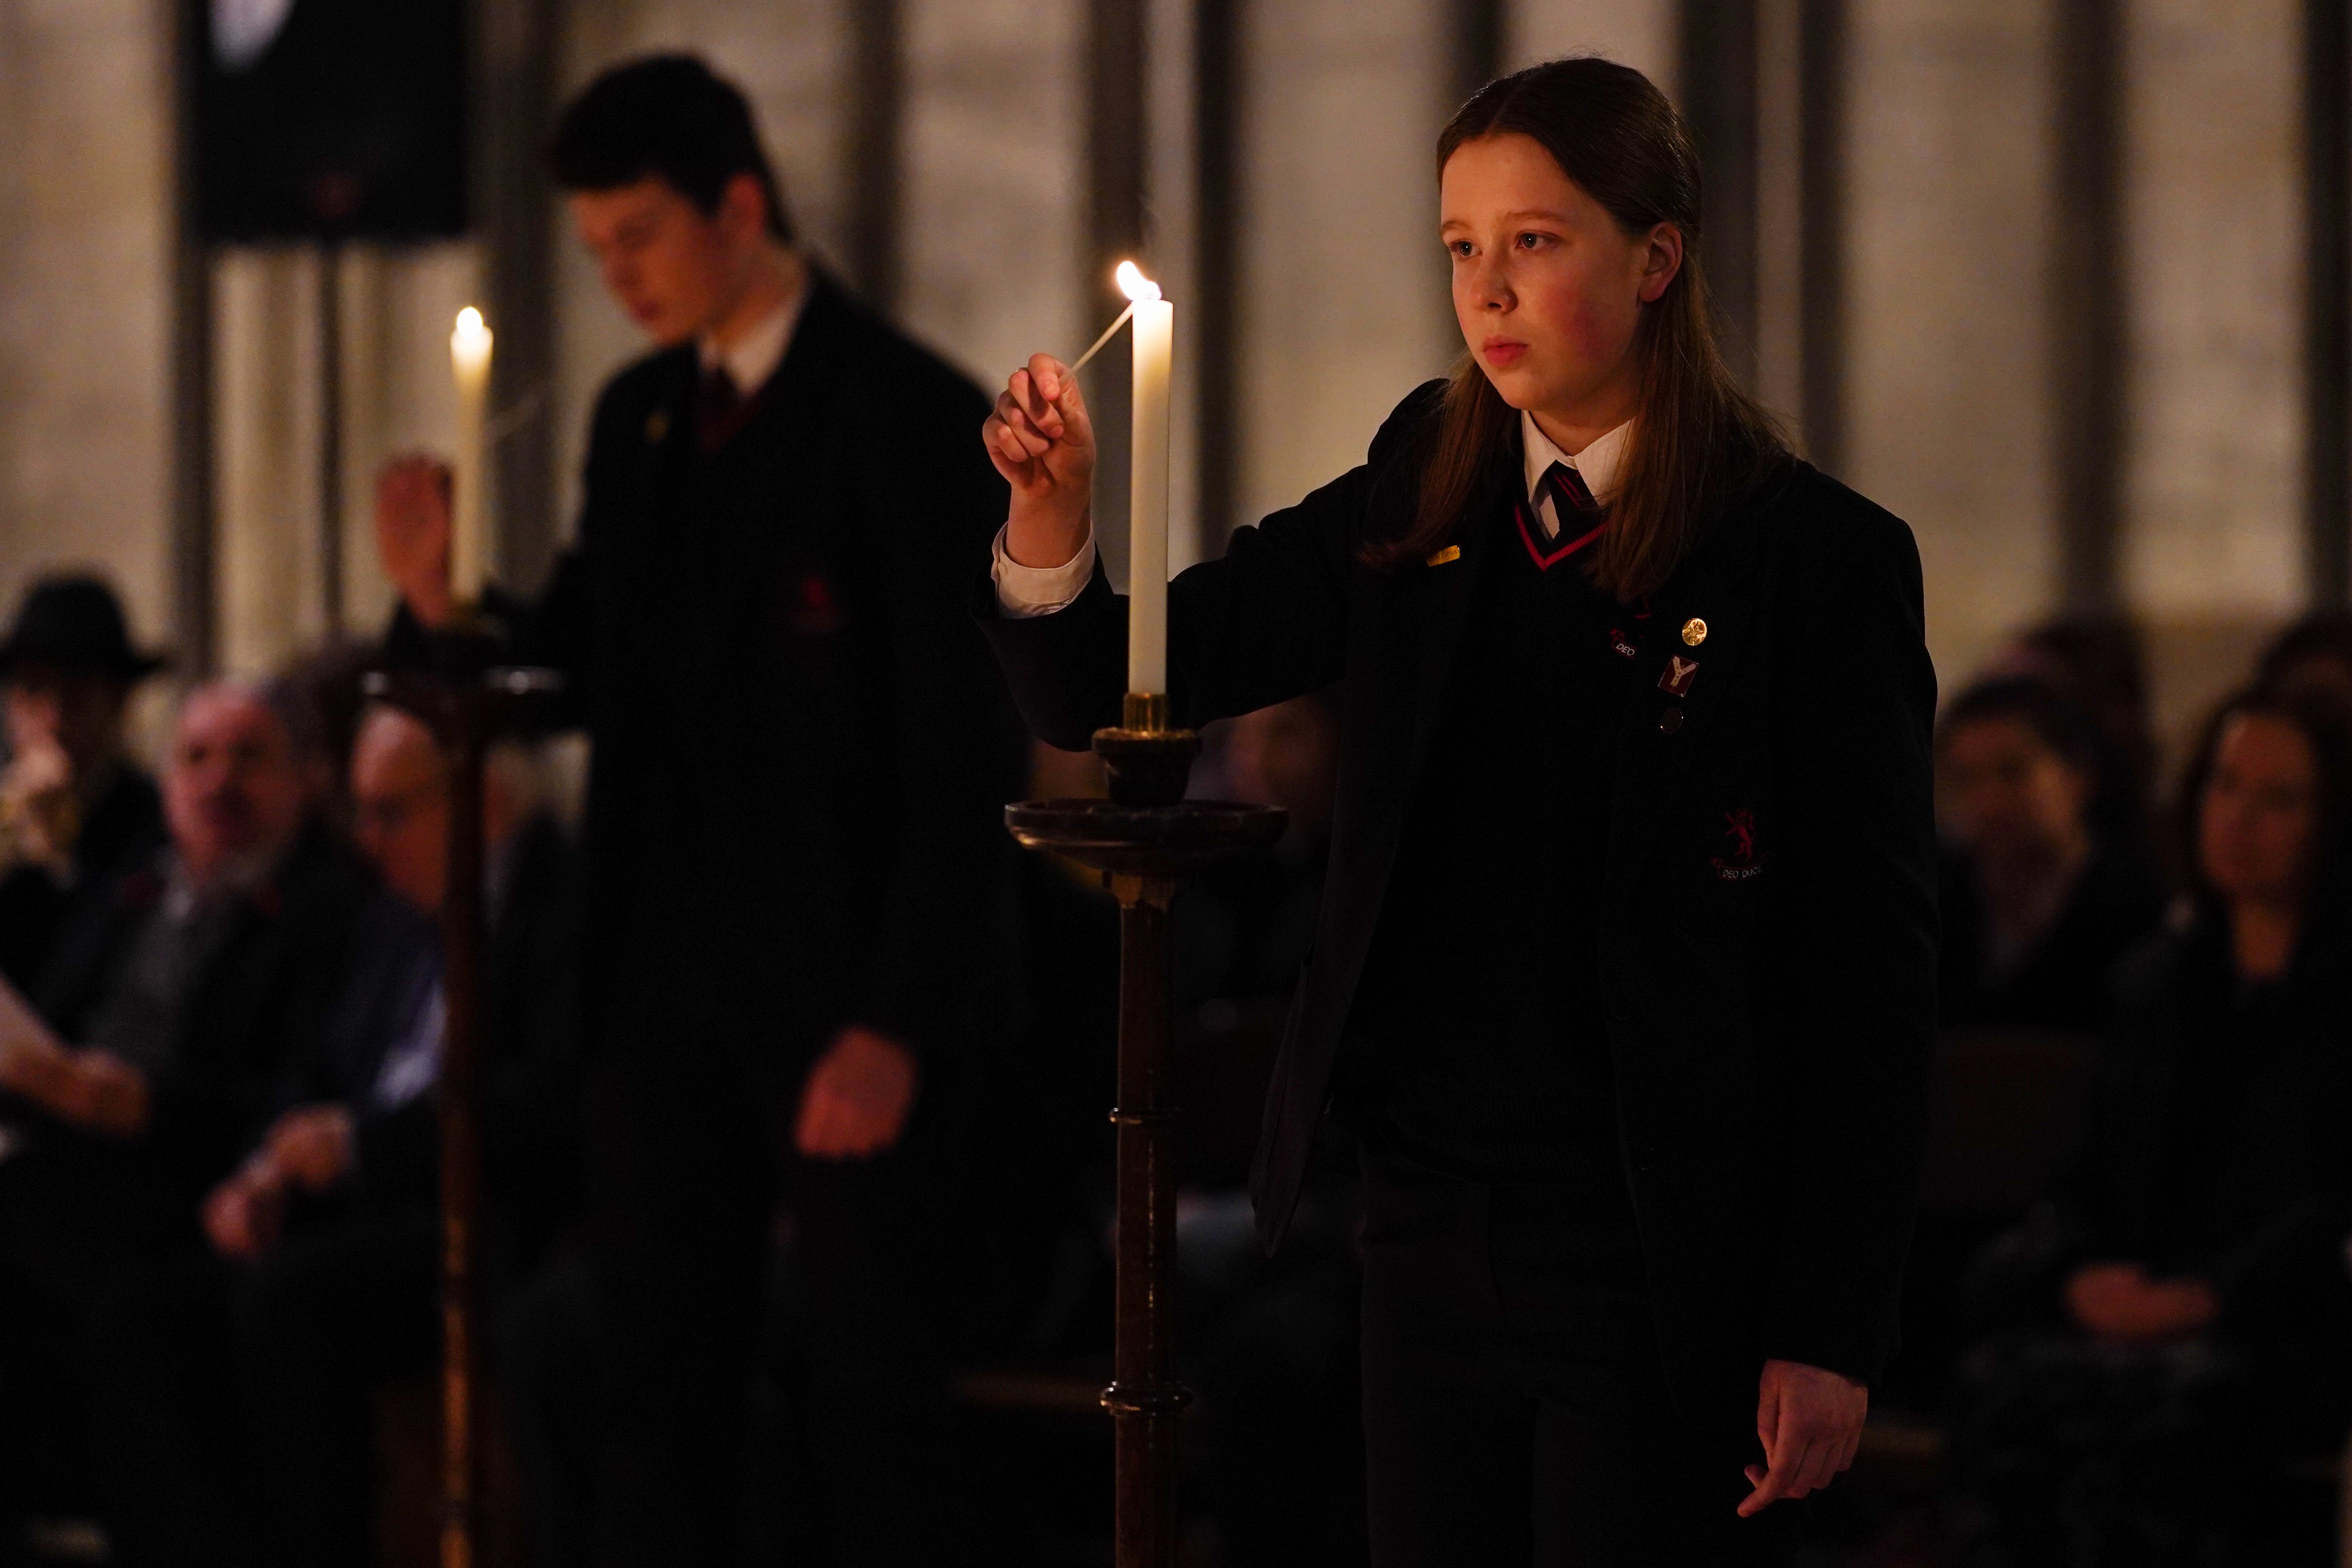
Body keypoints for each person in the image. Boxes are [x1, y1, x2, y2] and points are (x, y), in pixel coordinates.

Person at [979, 56, 1937, 1564]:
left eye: (1536, 243)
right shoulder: (1421, 477)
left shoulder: (1809, 560)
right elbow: (1126, 676)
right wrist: (1051, 520)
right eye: (1460, 249)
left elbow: (1868, 981)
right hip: (1425, 1217)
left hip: (1654, 1241)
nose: (1487, 291)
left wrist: (1828, 1325)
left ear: (1656, 258)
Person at [372, 56, 1021, 1565]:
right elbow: (593, 659)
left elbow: (956, 745)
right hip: (663, 992)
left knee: (868, 1405)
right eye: (595, 249)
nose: (617, 278)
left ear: (740, 206)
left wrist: (895, 1018)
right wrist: (445, 604)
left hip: (841, 993)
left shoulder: (906, 414)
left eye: (640, 237)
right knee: (651, 1392)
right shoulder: (640, 416)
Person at [1951, 686, 2352, 1566]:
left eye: (2279, 799)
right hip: (2136, 1307)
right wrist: (2084, 1277)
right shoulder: (2161, 980)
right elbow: (2091, 1169)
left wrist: (2209, 1297)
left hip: (2280, 1324)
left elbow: (2331, 1209)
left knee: (2163, 1421)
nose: (2239, 818)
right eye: (2223, 785)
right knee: (2014, 1392)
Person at [0, 679, 383, 1567]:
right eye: (197, 757)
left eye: (250, 756)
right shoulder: (139, 883)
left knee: (131, 1306)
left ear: (307, 779)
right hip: (72, 1160)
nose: (219, 780)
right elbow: (55, 1012)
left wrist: (146, 1107)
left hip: (189, 1178)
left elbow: (304, 1090)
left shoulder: (329, 906)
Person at [204, 702, 584, 1566]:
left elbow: (546, 1107)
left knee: (293, 1305)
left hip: (491, 1213)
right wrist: (265, 1168)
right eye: (360, 813)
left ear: (480, 795)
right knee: (164, 1310)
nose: (368, 841)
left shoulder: (564, 902)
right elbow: (323, 1062)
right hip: (375, 1196)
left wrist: (362, 1148)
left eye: (391, 812)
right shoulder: (394, 911)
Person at [1935, 676, 2169, 1034]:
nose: (1988, 804)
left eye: (2013, 773)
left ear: (2077, 775)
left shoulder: (2139, 909)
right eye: (1966, 779)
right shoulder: (1939, 898)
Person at [0, 575, 169, 1010]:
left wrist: (51, 862)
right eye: (33, 689)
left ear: (117, 702)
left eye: (75, 692)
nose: (53, 719)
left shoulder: (159, 823)